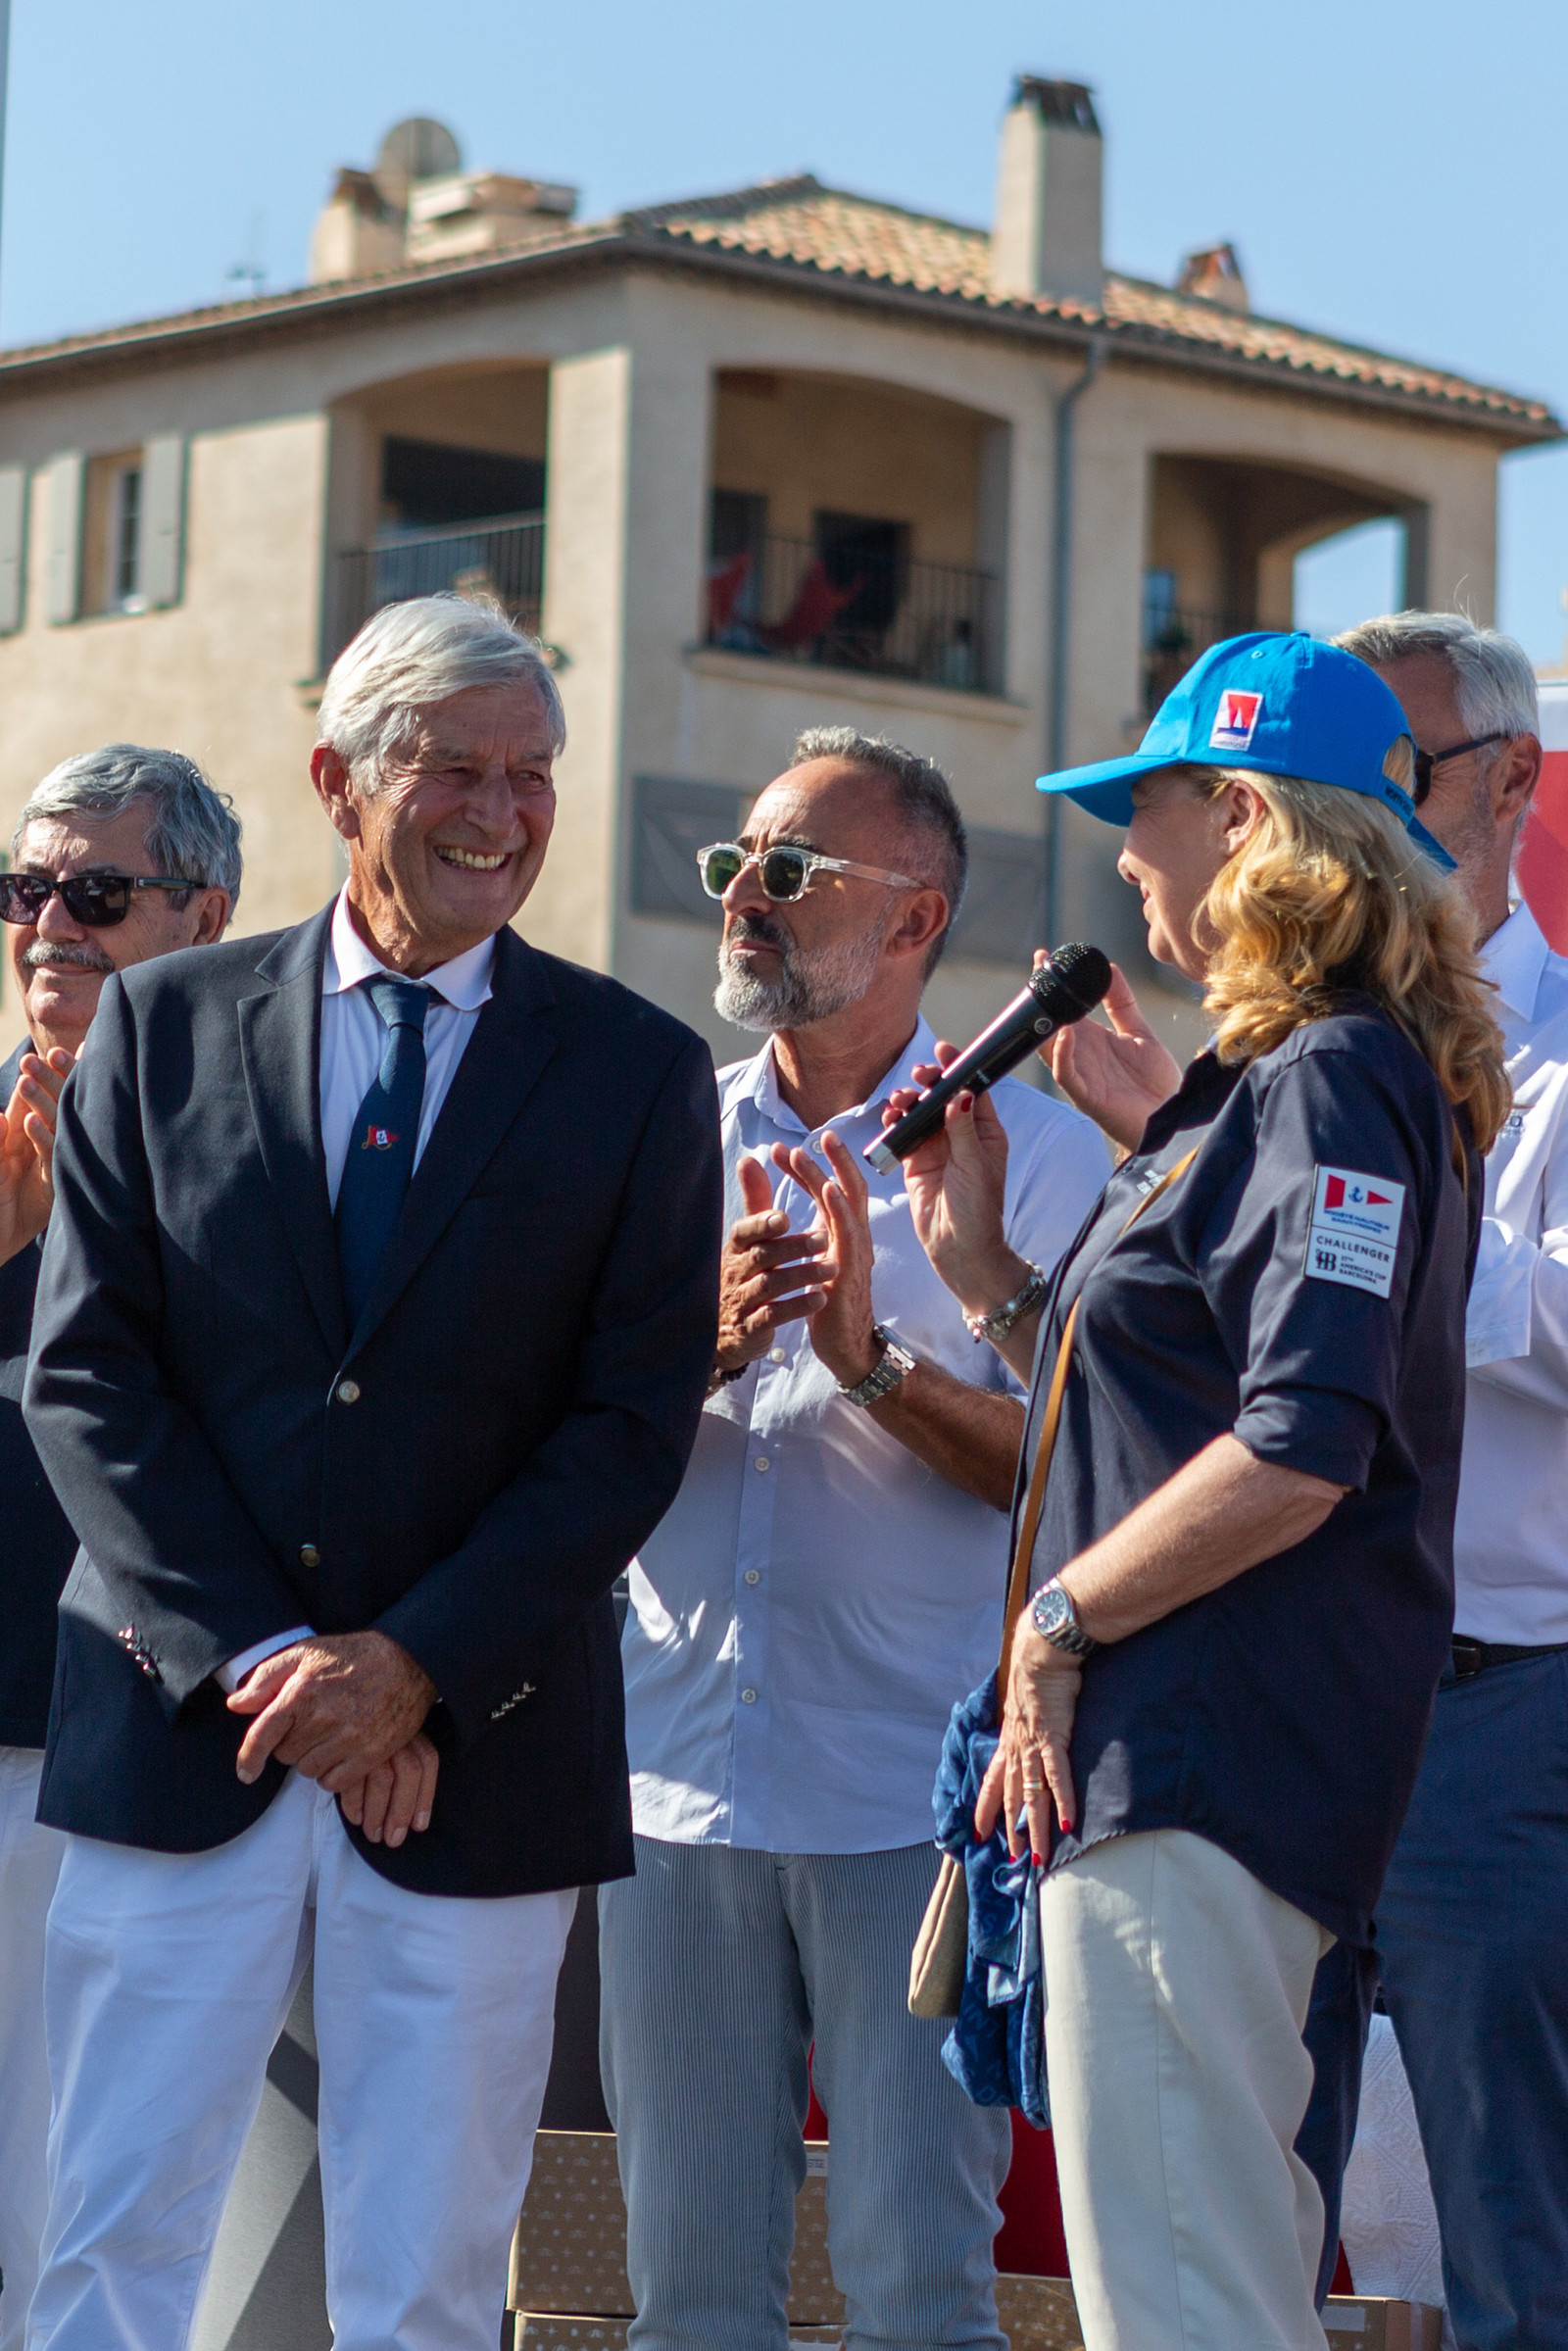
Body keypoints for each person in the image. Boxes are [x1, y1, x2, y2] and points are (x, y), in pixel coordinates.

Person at [21, 595, 723, 2351]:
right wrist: (277, 1667)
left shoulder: (638, 1073)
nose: (502, 811)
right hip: (186, 1739)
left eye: (532, 774)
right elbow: (91, 1375)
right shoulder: (161, 1027)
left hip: (473, 1766)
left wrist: (411, 1668)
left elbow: (627, 1426)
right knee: (108, 2253)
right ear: (339, 782)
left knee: (426, 2290)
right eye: (455, 770)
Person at [897, 633, 1506, 2351]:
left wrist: (1058, 1622)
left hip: (1198, 1768)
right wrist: (989, 1280)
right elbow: (1174, 1416)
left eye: (1144, 811)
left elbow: (1302, 1445)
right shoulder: (1306, 1078)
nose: (1123, 857)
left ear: (1242, 818)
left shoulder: (1329, 1075)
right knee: (1212, 2286)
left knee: (1185, 2307)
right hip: (1220, 1771)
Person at [599, 726, 1108, 2351]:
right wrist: (701, 1350)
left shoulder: (1041, 1162)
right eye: (734, 864)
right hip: (675, 1787)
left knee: (914, 2296)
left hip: (912, 1797)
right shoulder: (655, 1137)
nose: (743, 895)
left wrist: (871, 1368)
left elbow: (1082, 1485)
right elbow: (546, 1447)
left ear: (915, 919)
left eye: (790, 869)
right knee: (688, 2305)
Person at [1298, 612, 1568, 2351]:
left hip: (1496, 1706)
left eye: (1398, 769)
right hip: (1281, 1700)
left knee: (1504, 2234)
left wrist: (1369, 1232)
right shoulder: (1282, 1057)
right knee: (1245, 2213)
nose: (1362, 813)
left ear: (1515, 779)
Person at [0, 747, 240, 2351]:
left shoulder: (257, 1148)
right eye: (26, 889)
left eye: (96, 892)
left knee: (75, 2218)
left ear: (206, 917)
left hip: (130, 1755)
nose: (49, 926)